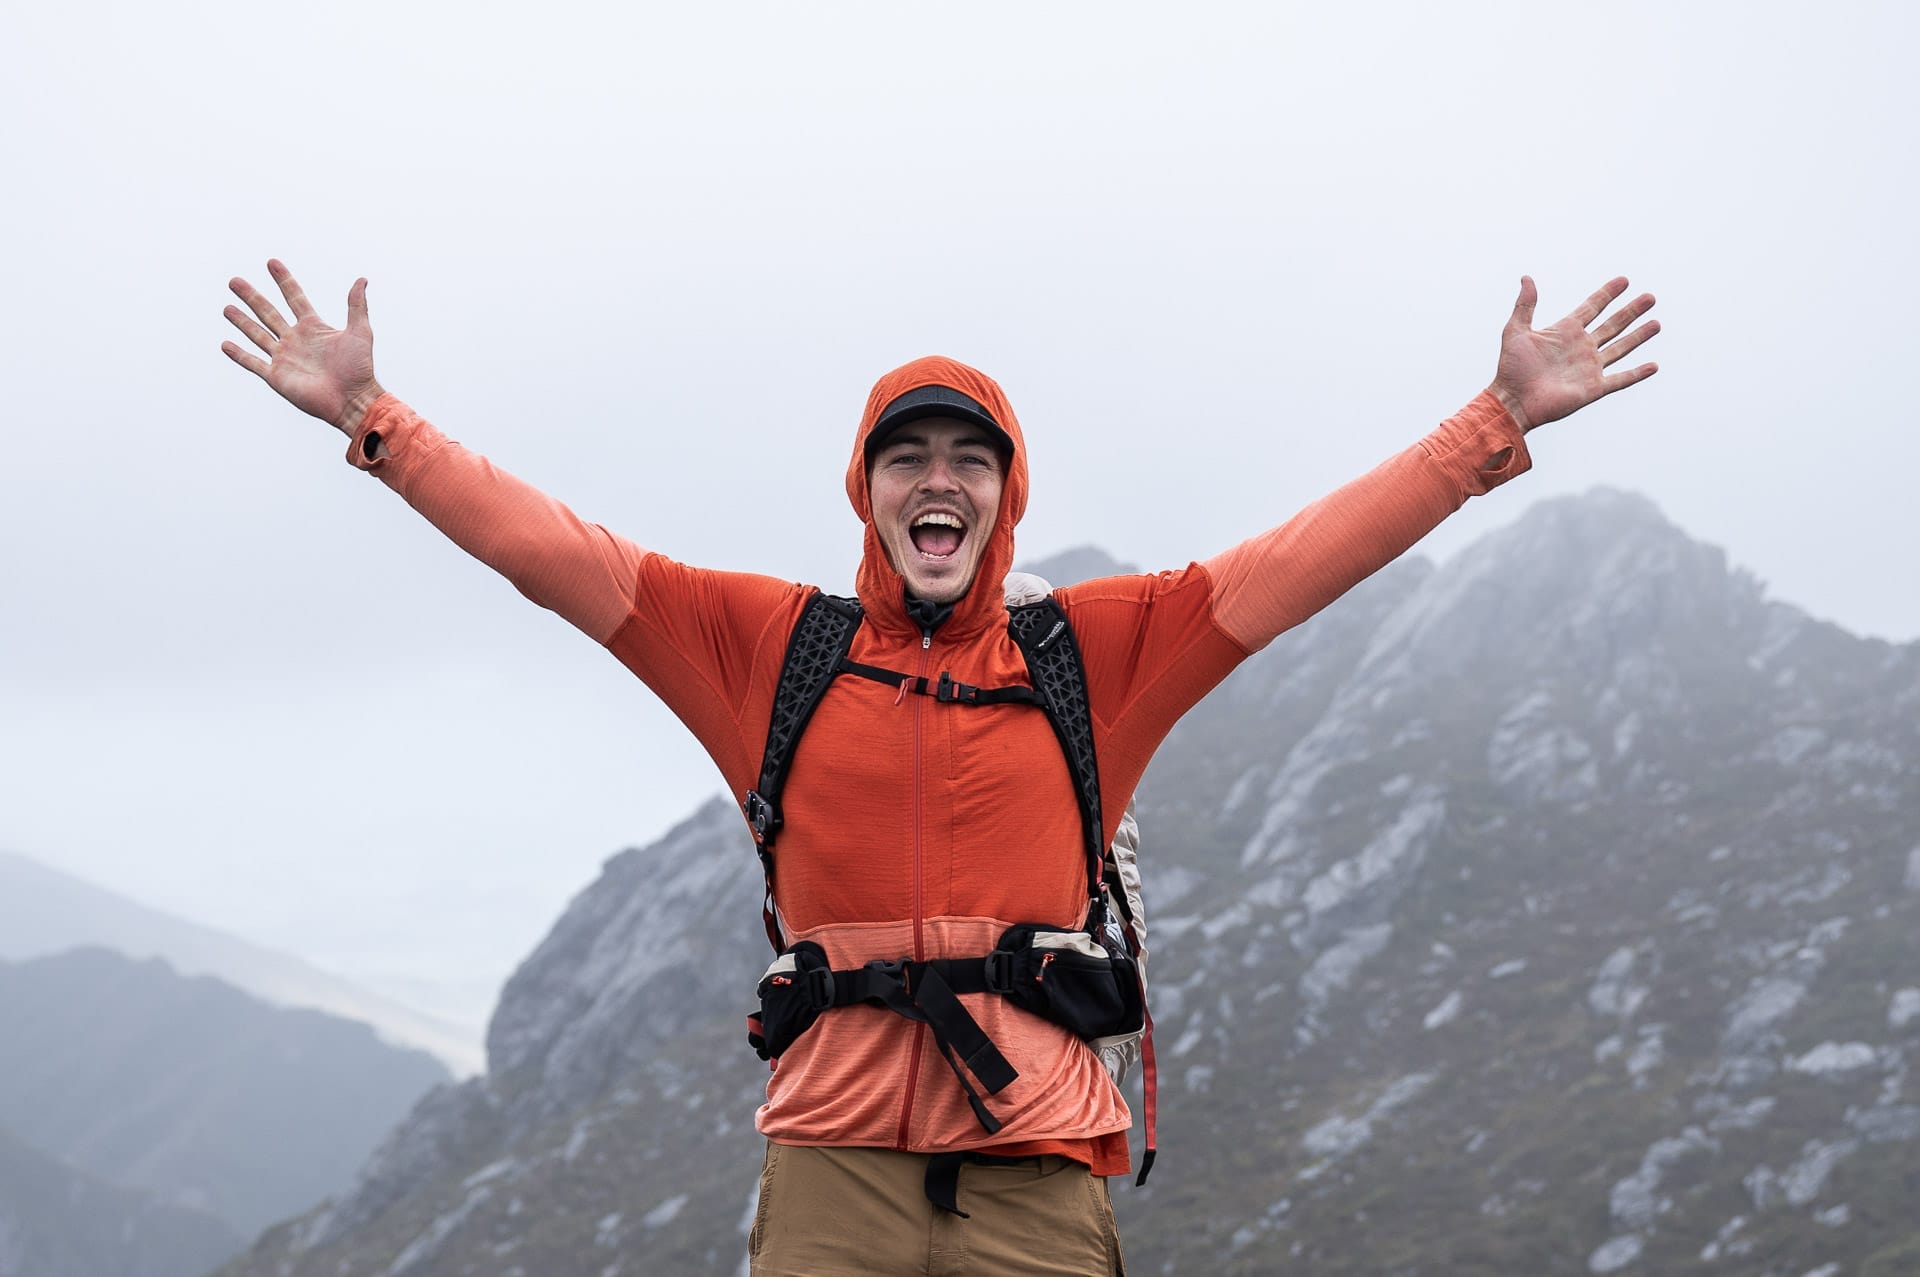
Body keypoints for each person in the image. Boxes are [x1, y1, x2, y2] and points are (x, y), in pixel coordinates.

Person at [220, 262, 1658, 1275]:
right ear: (867, 490)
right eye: (905, 455)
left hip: (1038, 1180)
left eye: (971, 458)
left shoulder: (1100, 655)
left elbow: (1308, 556)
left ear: (1006, 494)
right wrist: (376, 419)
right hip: (831, 1172)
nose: (938, 479)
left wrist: (1495, 423)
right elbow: (550, 551)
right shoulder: (766, 651)